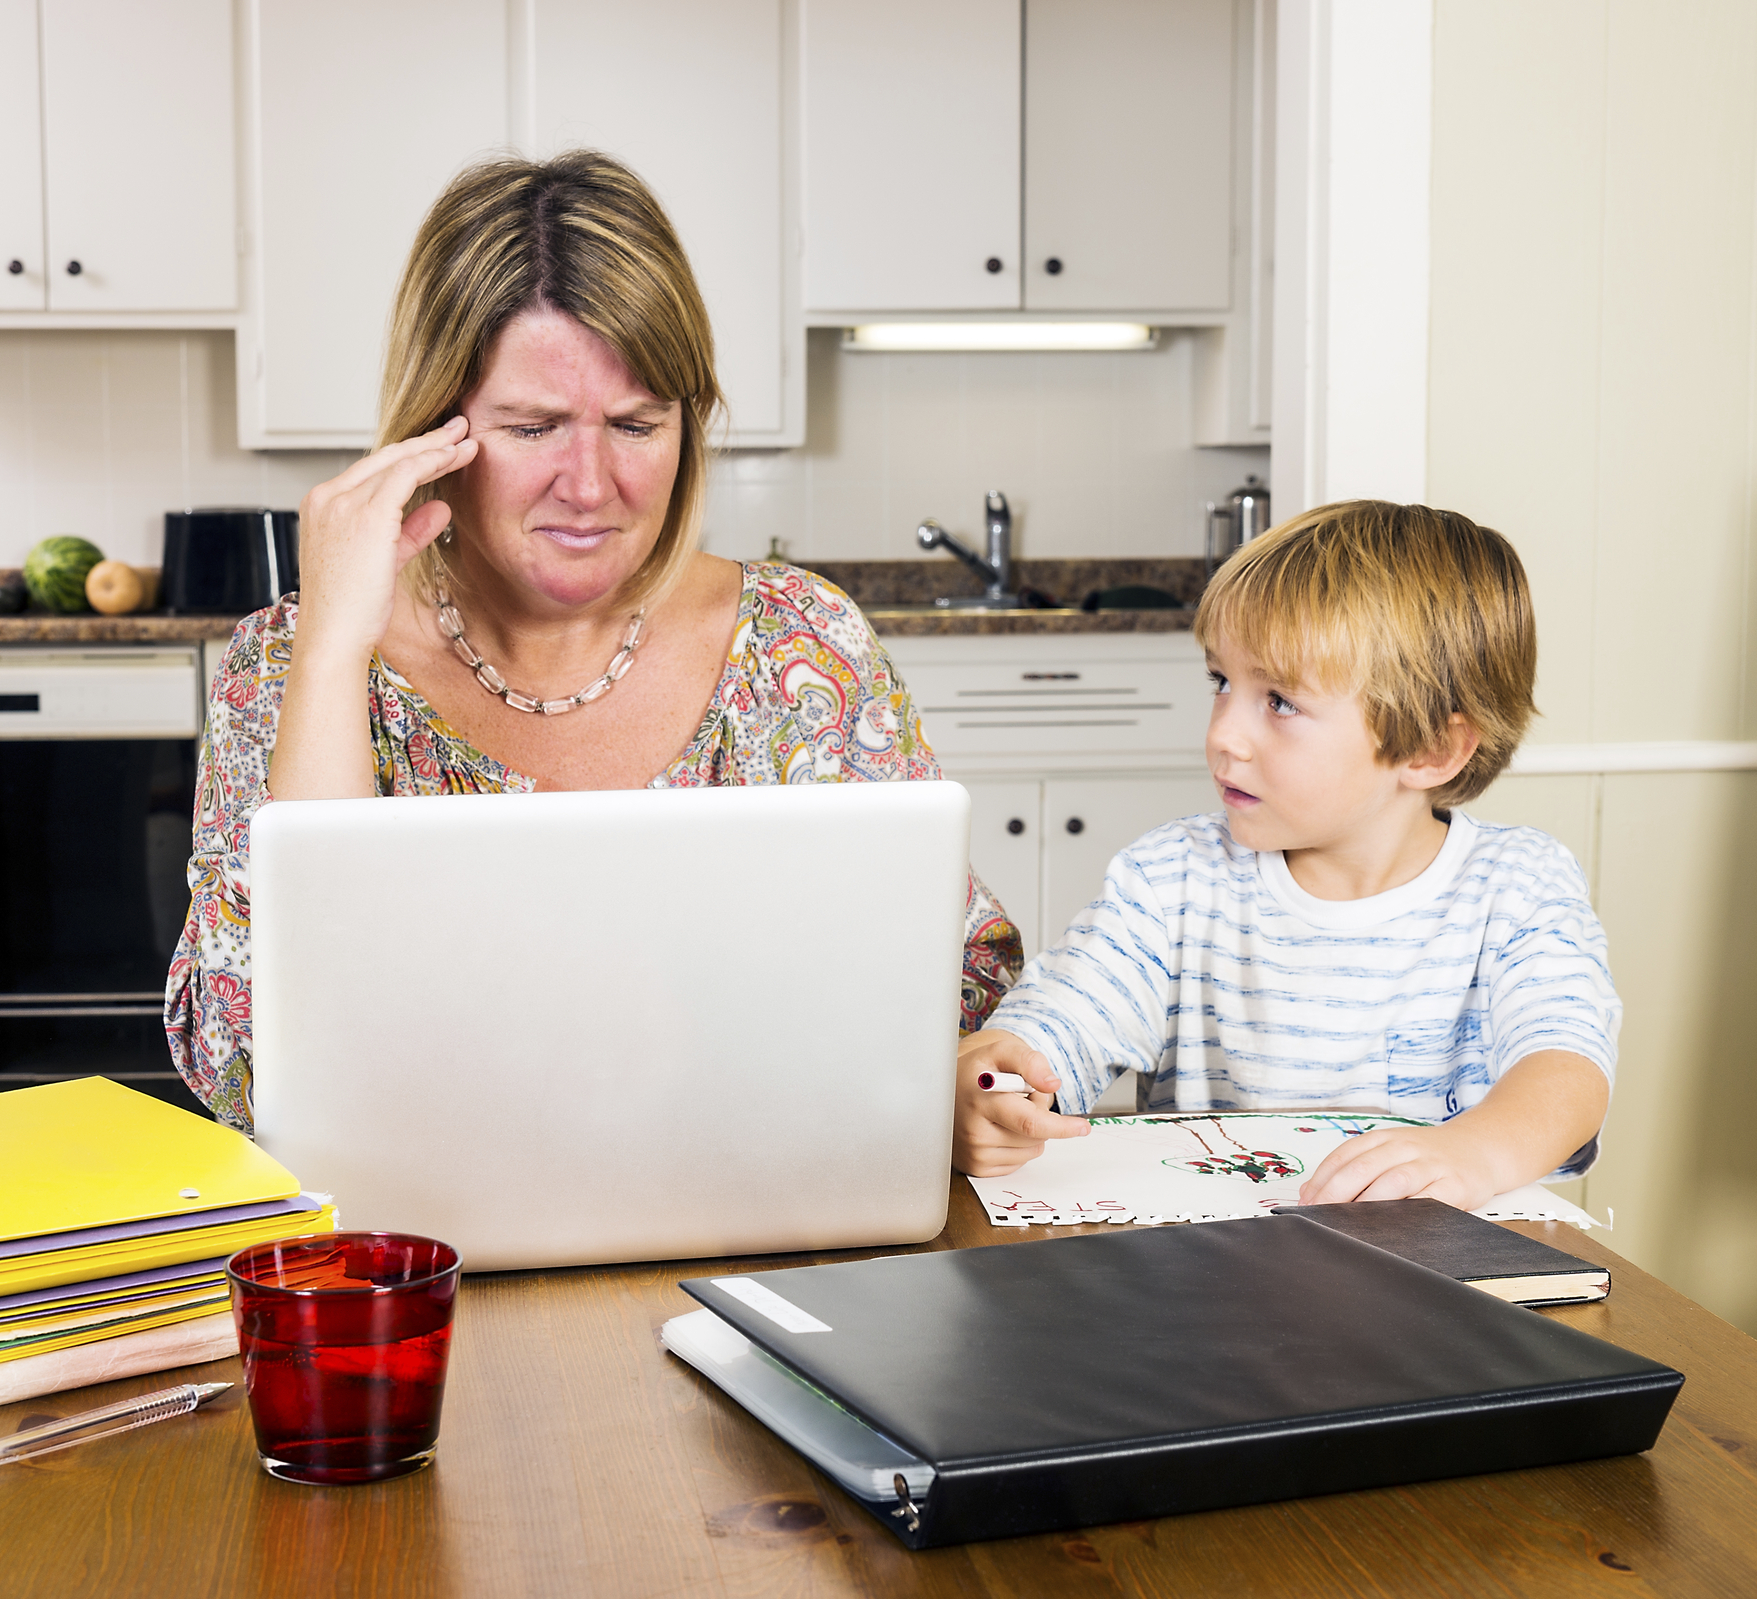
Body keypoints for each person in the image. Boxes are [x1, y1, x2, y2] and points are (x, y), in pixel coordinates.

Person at [166, 150, 1021, 1131]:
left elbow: (946, 975)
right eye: (533, 428)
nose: (590, 482)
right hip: (432, 1263)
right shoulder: (289, 664)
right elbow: (252, 1066)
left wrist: (960, 1075)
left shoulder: (804, 648)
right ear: (433, 430)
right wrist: (329, 656)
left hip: (761, 1230)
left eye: (636, 422)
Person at [954, 501, 1619, 1209]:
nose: (1223, 736)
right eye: (1220, 683)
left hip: (1446, 1282)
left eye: (1278, 702)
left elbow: (1565, 1066)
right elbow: (1060, 1024)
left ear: (1430, 748)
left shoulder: (1517, 886)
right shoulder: (1171, 879)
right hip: (1216, 1276)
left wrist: (1474, 1152)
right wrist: (999, 1088)